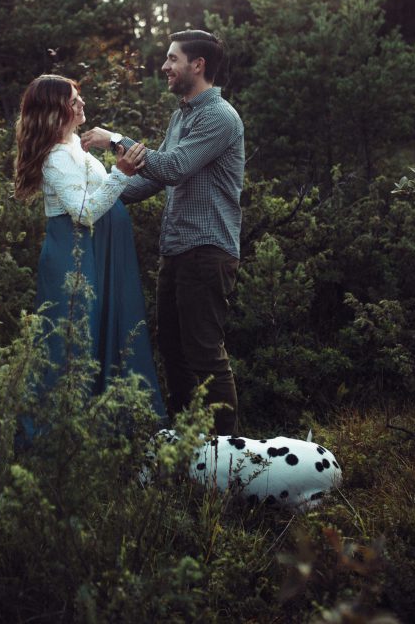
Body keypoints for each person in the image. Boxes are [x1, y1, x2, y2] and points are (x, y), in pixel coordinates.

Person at [81, 30, 244, 435]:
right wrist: (97, 199)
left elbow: (172, 167)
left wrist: (115, 139)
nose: (165, 67)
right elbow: (154, 181)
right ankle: (188, 448)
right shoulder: (181, 116)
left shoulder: (220, 116)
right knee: (173, 351)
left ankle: (225, 456)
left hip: (207, 251)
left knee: (205, 353)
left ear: (197, 65)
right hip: (176, 250)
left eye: (172, 59)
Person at [14, 74, 165, 419]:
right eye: (73, 100)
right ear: (55, 110)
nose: (82, 103)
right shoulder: (55, 156)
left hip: (100, 252)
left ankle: (105, 423)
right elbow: (84, 212)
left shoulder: (73, 146)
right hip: (76, 253)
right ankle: (56, 431)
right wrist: (121, 172)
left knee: (103, 332)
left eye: (79, 97)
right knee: (73, 339)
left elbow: (107, 192)